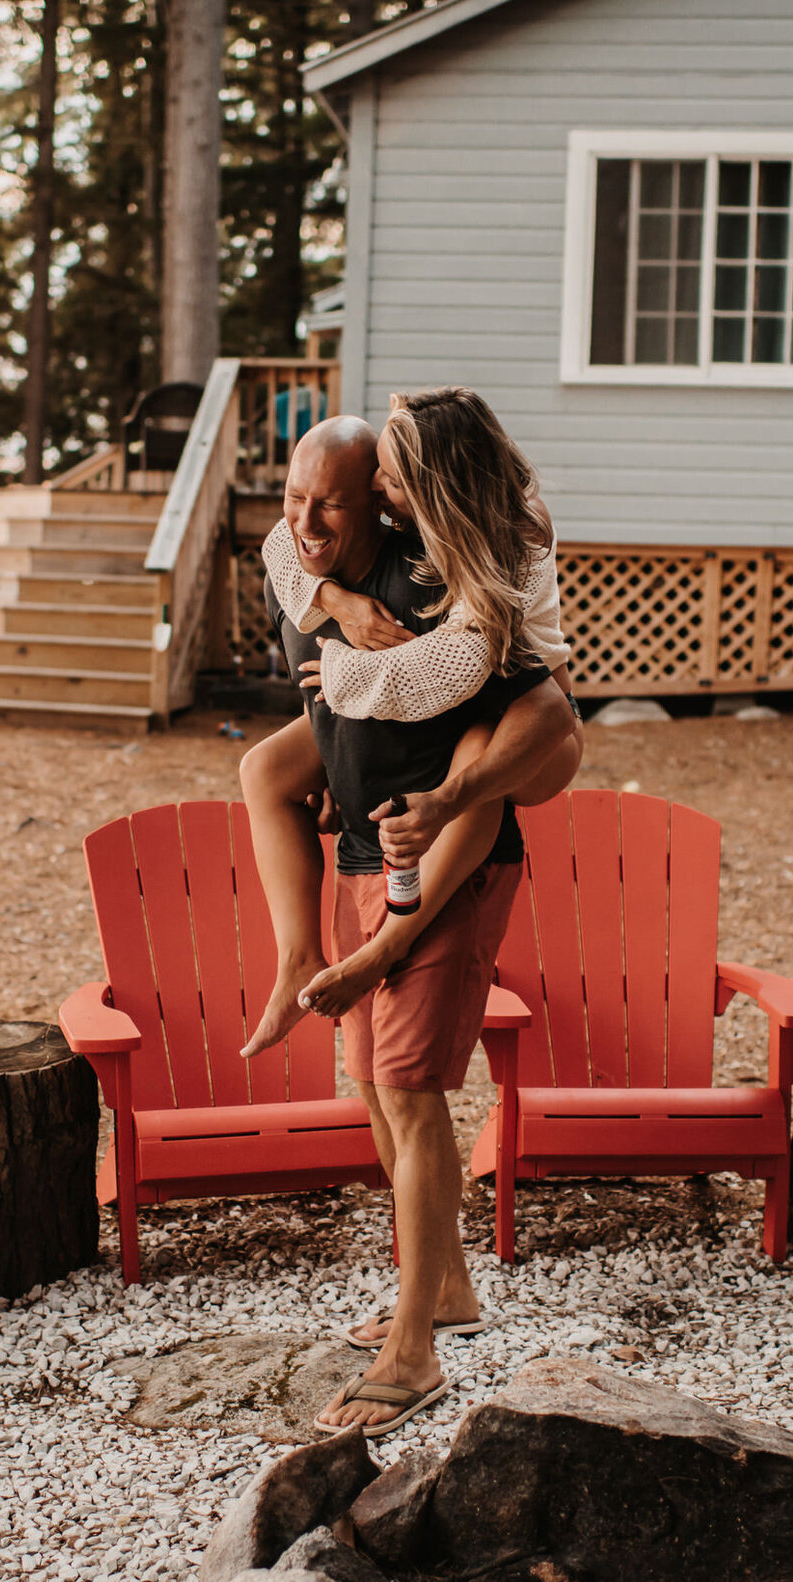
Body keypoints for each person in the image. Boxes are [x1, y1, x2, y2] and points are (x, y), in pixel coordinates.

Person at [244, 410, 576, 1435]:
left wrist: (392, 931)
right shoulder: (336, 564)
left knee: (411, 1087)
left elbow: (507, 768)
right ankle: (447, 1289)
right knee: (372, 1088)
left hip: (443, 872)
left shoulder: (453, 594)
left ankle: (414, 1349)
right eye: (303, 497)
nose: (311, 519)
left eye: (349, 494)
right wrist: (332, 590)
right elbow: (280, 551)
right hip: (356, 849)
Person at [239, 388, 582, 1062]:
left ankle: (391, 945)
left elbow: (453, 666)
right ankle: (299, 957)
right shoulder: (386, 537)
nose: (375, 486)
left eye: (388, 481)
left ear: (436, 494)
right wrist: (335, 601)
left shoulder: (494, 553)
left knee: (473, 756)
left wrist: (344, 671)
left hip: (537, 730)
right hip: (438, 691)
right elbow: (282, 545)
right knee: (265, 768)